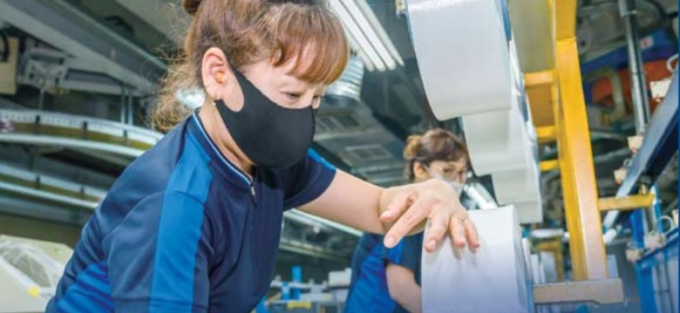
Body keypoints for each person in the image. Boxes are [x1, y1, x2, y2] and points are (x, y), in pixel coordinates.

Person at [45, 1, 479, 312]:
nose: (305, 116)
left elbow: (379, 210)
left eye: (317, 98)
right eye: (292, 93)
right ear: (219, 75)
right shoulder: (175, 204)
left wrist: (434, 195)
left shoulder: (271, 165)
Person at [345, 129, 471, 313]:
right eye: (448, 170)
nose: (457, 181)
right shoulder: (405, 210)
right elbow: (401, 289)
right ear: (419, 169)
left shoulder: (429, 219)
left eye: (462, 173)